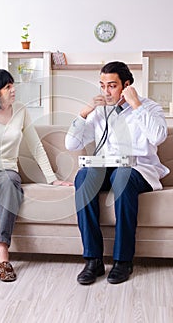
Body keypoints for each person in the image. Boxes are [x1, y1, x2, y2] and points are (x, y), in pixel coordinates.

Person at [0, 69, 72, 282]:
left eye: (13, 85)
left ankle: (3, 256)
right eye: (8, 87)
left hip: (6, 170)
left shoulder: (20, 110)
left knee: (11, 182)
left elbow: (36, 146)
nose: (14, 90)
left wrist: (52, 178)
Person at [65, 61, 169, 285]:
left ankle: (123, 261)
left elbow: (158, 136)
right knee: (83, 177)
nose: (106, 91)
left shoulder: (149, 107)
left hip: (138, 170)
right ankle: (93, 260)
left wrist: (136, 104)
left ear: (127, 85)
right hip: (106, 168)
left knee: (122, 175)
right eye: (102, 85)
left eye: (112, 86)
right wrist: (85, 112)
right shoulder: (100, 111)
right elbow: (71, 144)